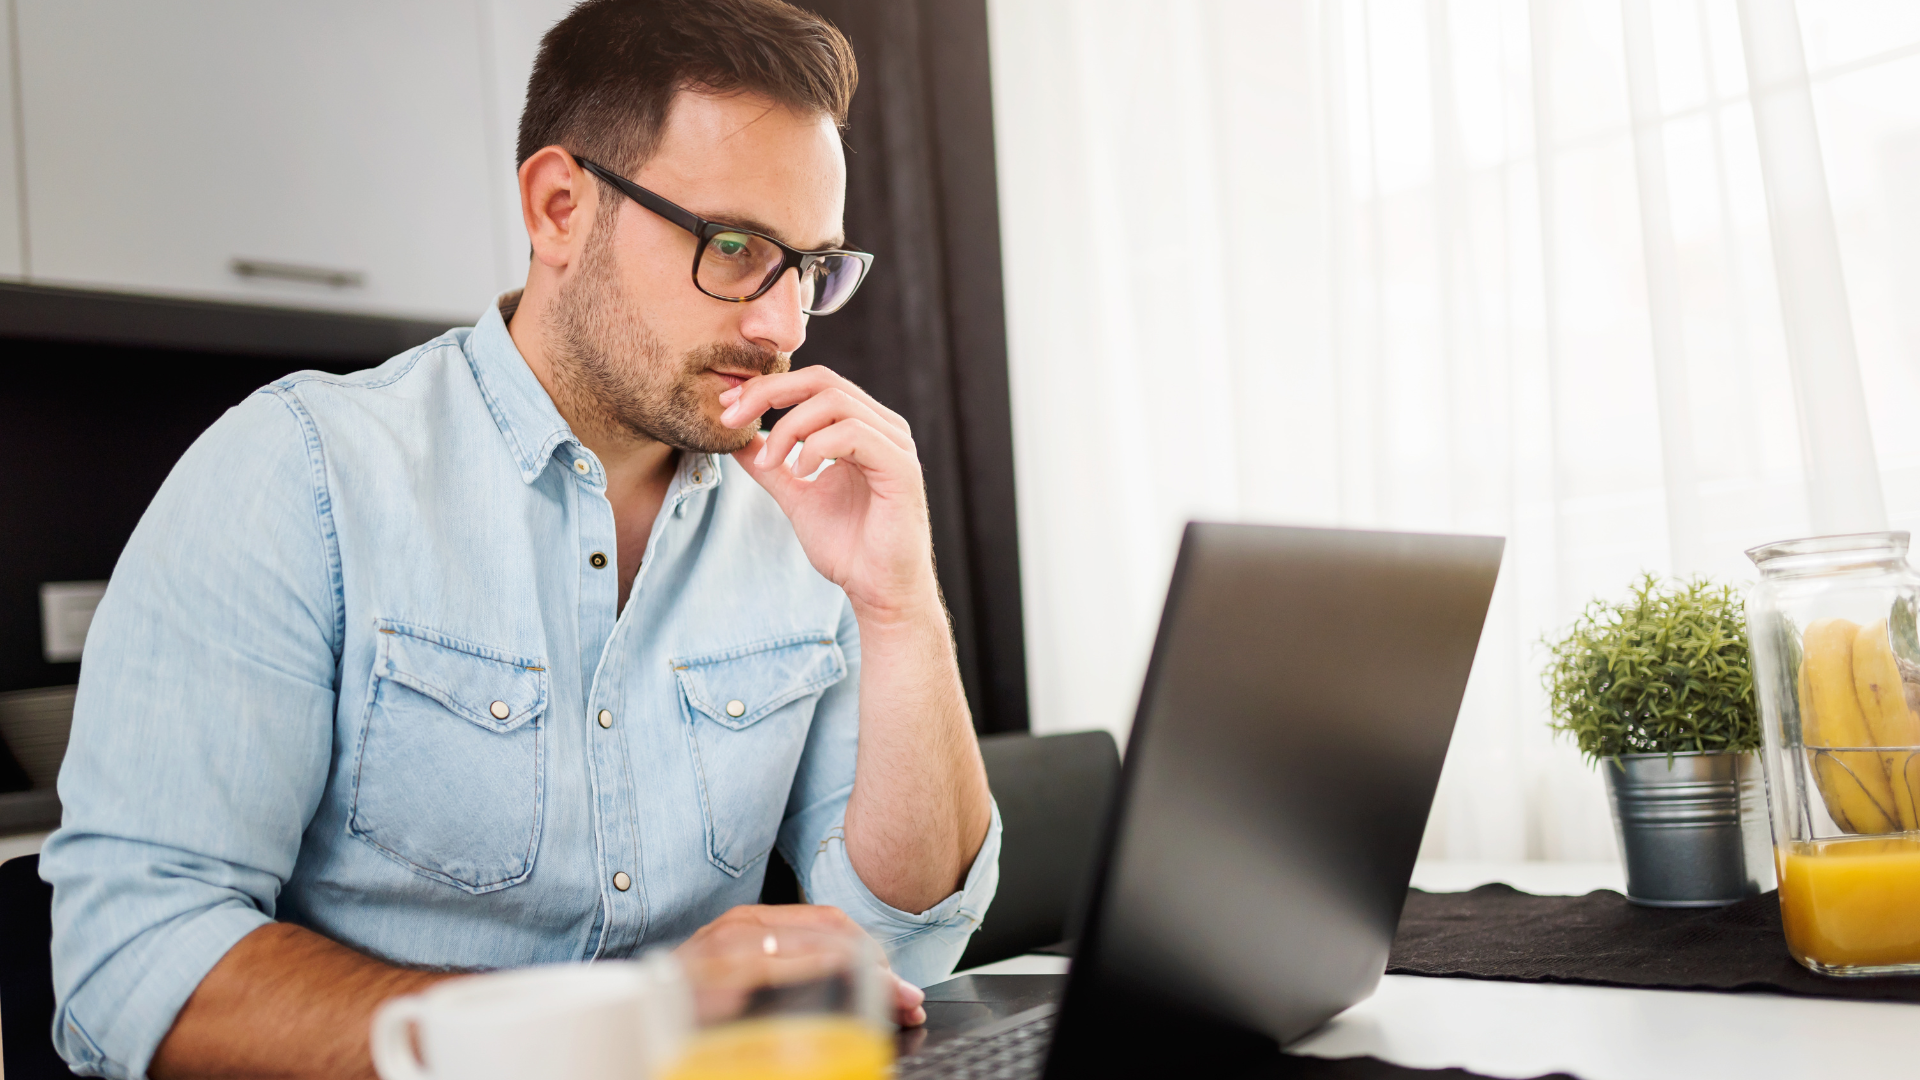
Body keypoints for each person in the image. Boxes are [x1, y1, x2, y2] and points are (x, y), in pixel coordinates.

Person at [39, 1, 1000, 1076]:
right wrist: (623, 1023)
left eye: (810, 268)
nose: (780, 326)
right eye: (733, 248)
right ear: (558, 208)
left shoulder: (800, 516)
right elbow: (127, 967)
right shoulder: (299, 472)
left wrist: (900, 604)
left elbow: (908, 943)